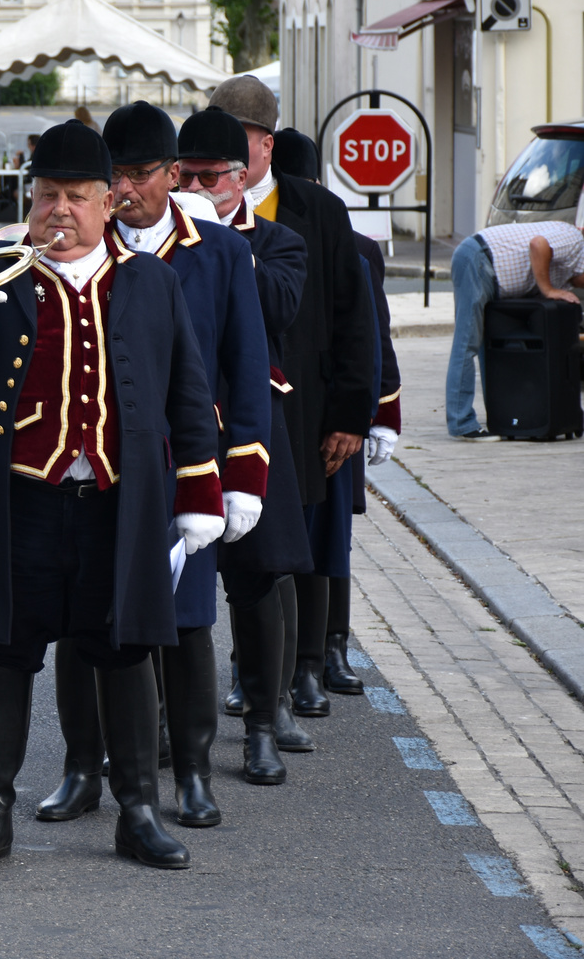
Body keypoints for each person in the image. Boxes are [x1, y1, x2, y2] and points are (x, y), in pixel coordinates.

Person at [0, 119, 225, 871]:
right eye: (47, 196)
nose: (60, 212)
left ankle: (137, 810)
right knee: (7, 653)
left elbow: (188, 394)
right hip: (23, 501)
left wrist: (200, 491)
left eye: (76, 197)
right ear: (29, 198)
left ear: (109, 202)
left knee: (125, 649)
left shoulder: (149, 282)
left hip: (117, 502)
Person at [34, 102, 271, 830]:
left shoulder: (219, 251)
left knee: (187, 624)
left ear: (173, 174)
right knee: (81, 627)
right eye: (118, 175)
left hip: (185, 471)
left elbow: (245, 367)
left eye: (140, 174)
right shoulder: (70, 242)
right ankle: (82, 767)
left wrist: (241, 480)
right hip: (100, 467)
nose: (126, 188)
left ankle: (193, 773)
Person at [208, 74, 375, 755]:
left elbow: (354, 318)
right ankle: (254, 680)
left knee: (291, 548)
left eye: (236, 143)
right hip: (216, 411)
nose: (220, 160)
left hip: (302, 404)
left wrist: (352, 414)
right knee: (239, 554)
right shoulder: (182, 213)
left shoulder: (315, 211)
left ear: (265, 146)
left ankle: (300, 671)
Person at [175, 109, 312, 783]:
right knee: (171, 581)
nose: (198, 187)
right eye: (187, 175)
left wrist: (220, 242)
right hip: (183, 421)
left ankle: (264, 719)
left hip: (252, 424)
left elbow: (277, 307)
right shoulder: (165, 243)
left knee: (260, 576)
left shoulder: (277, 241)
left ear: (241, 178)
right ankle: (173, 729)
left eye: (211, 178)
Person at [270, 127, 399, 697]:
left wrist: (381, 412)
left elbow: (371, 335)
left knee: (331, 540)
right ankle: (274, 661)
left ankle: (331, 648)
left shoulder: (355, 242)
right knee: (285, 542)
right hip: (289, 414)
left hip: (335, 412)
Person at [443, 218, 584, 440]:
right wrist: (547, 289)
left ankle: (504, 418)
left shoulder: (570, 269)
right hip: (478, 259)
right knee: (466, 343)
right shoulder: (574, 238)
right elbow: (538, 244)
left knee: (489, 349)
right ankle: (461, 424)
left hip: (492, 273)